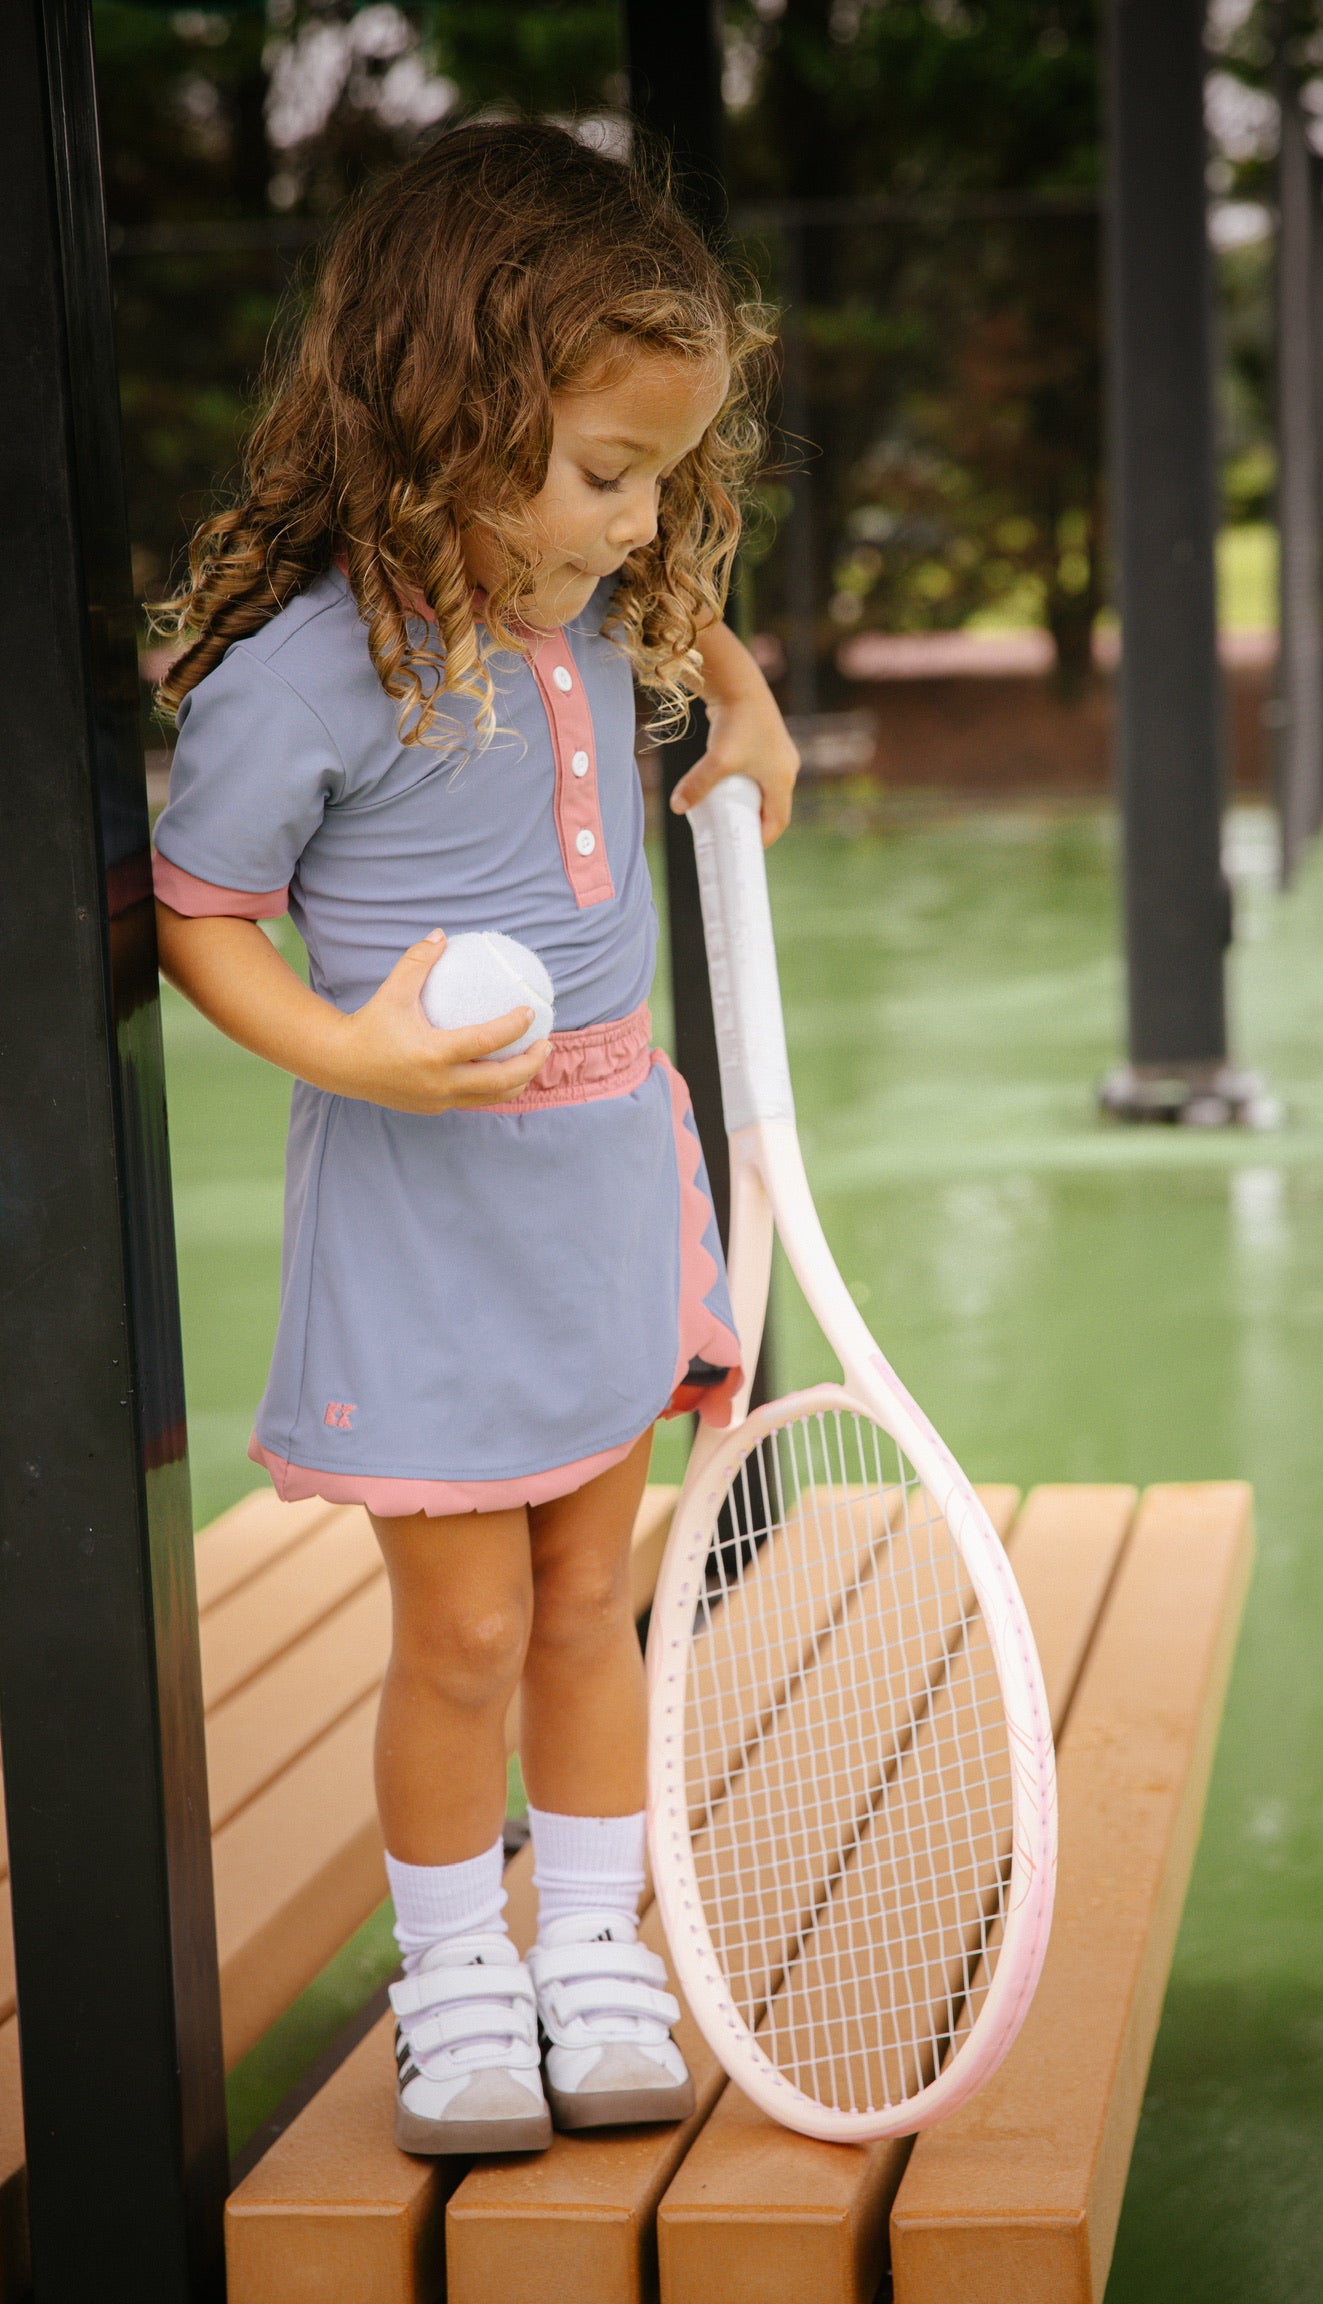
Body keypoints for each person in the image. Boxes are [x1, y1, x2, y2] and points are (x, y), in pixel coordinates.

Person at [151, 121, 796, 2155]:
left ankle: (593, 1949)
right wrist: (349, 1056)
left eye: (662, 482)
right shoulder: (307, 676)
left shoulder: (596, 599)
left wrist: (755, 716)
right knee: (469, 1630)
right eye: (610, 471)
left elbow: (689, 634)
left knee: (594, 1603)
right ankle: (456, 1979)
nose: (637, 523)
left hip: (604, 1186)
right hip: (431, 1217)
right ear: (454, 416)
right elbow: (200, 911)